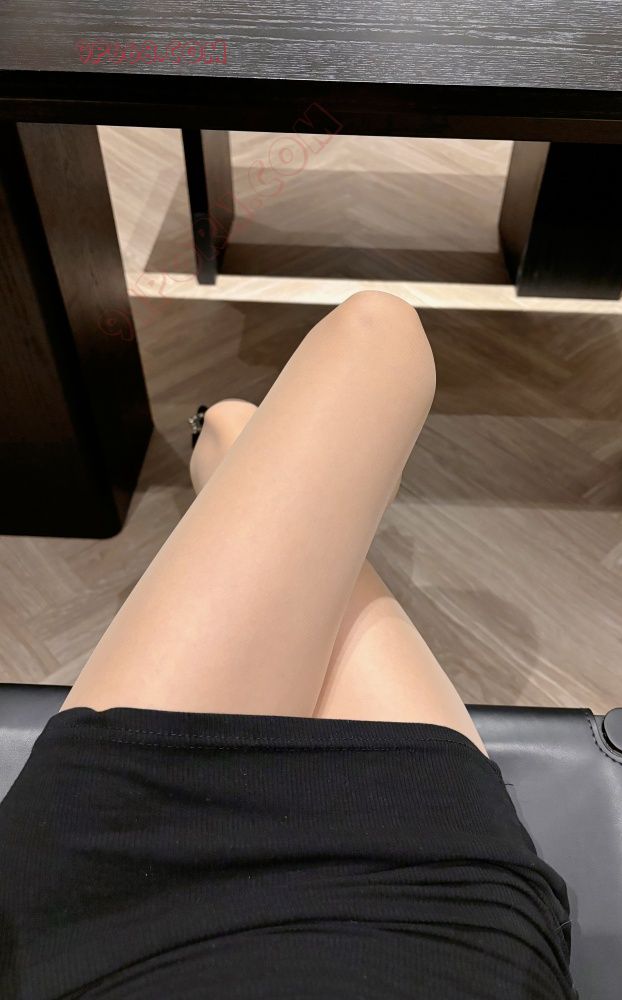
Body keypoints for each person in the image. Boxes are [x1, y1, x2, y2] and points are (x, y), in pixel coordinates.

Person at [0, 291, 576, 999]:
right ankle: (238, 447)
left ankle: (239, 446)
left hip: (95, 904)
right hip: (427, 920)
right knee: (379, 332)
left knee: (376, 339)